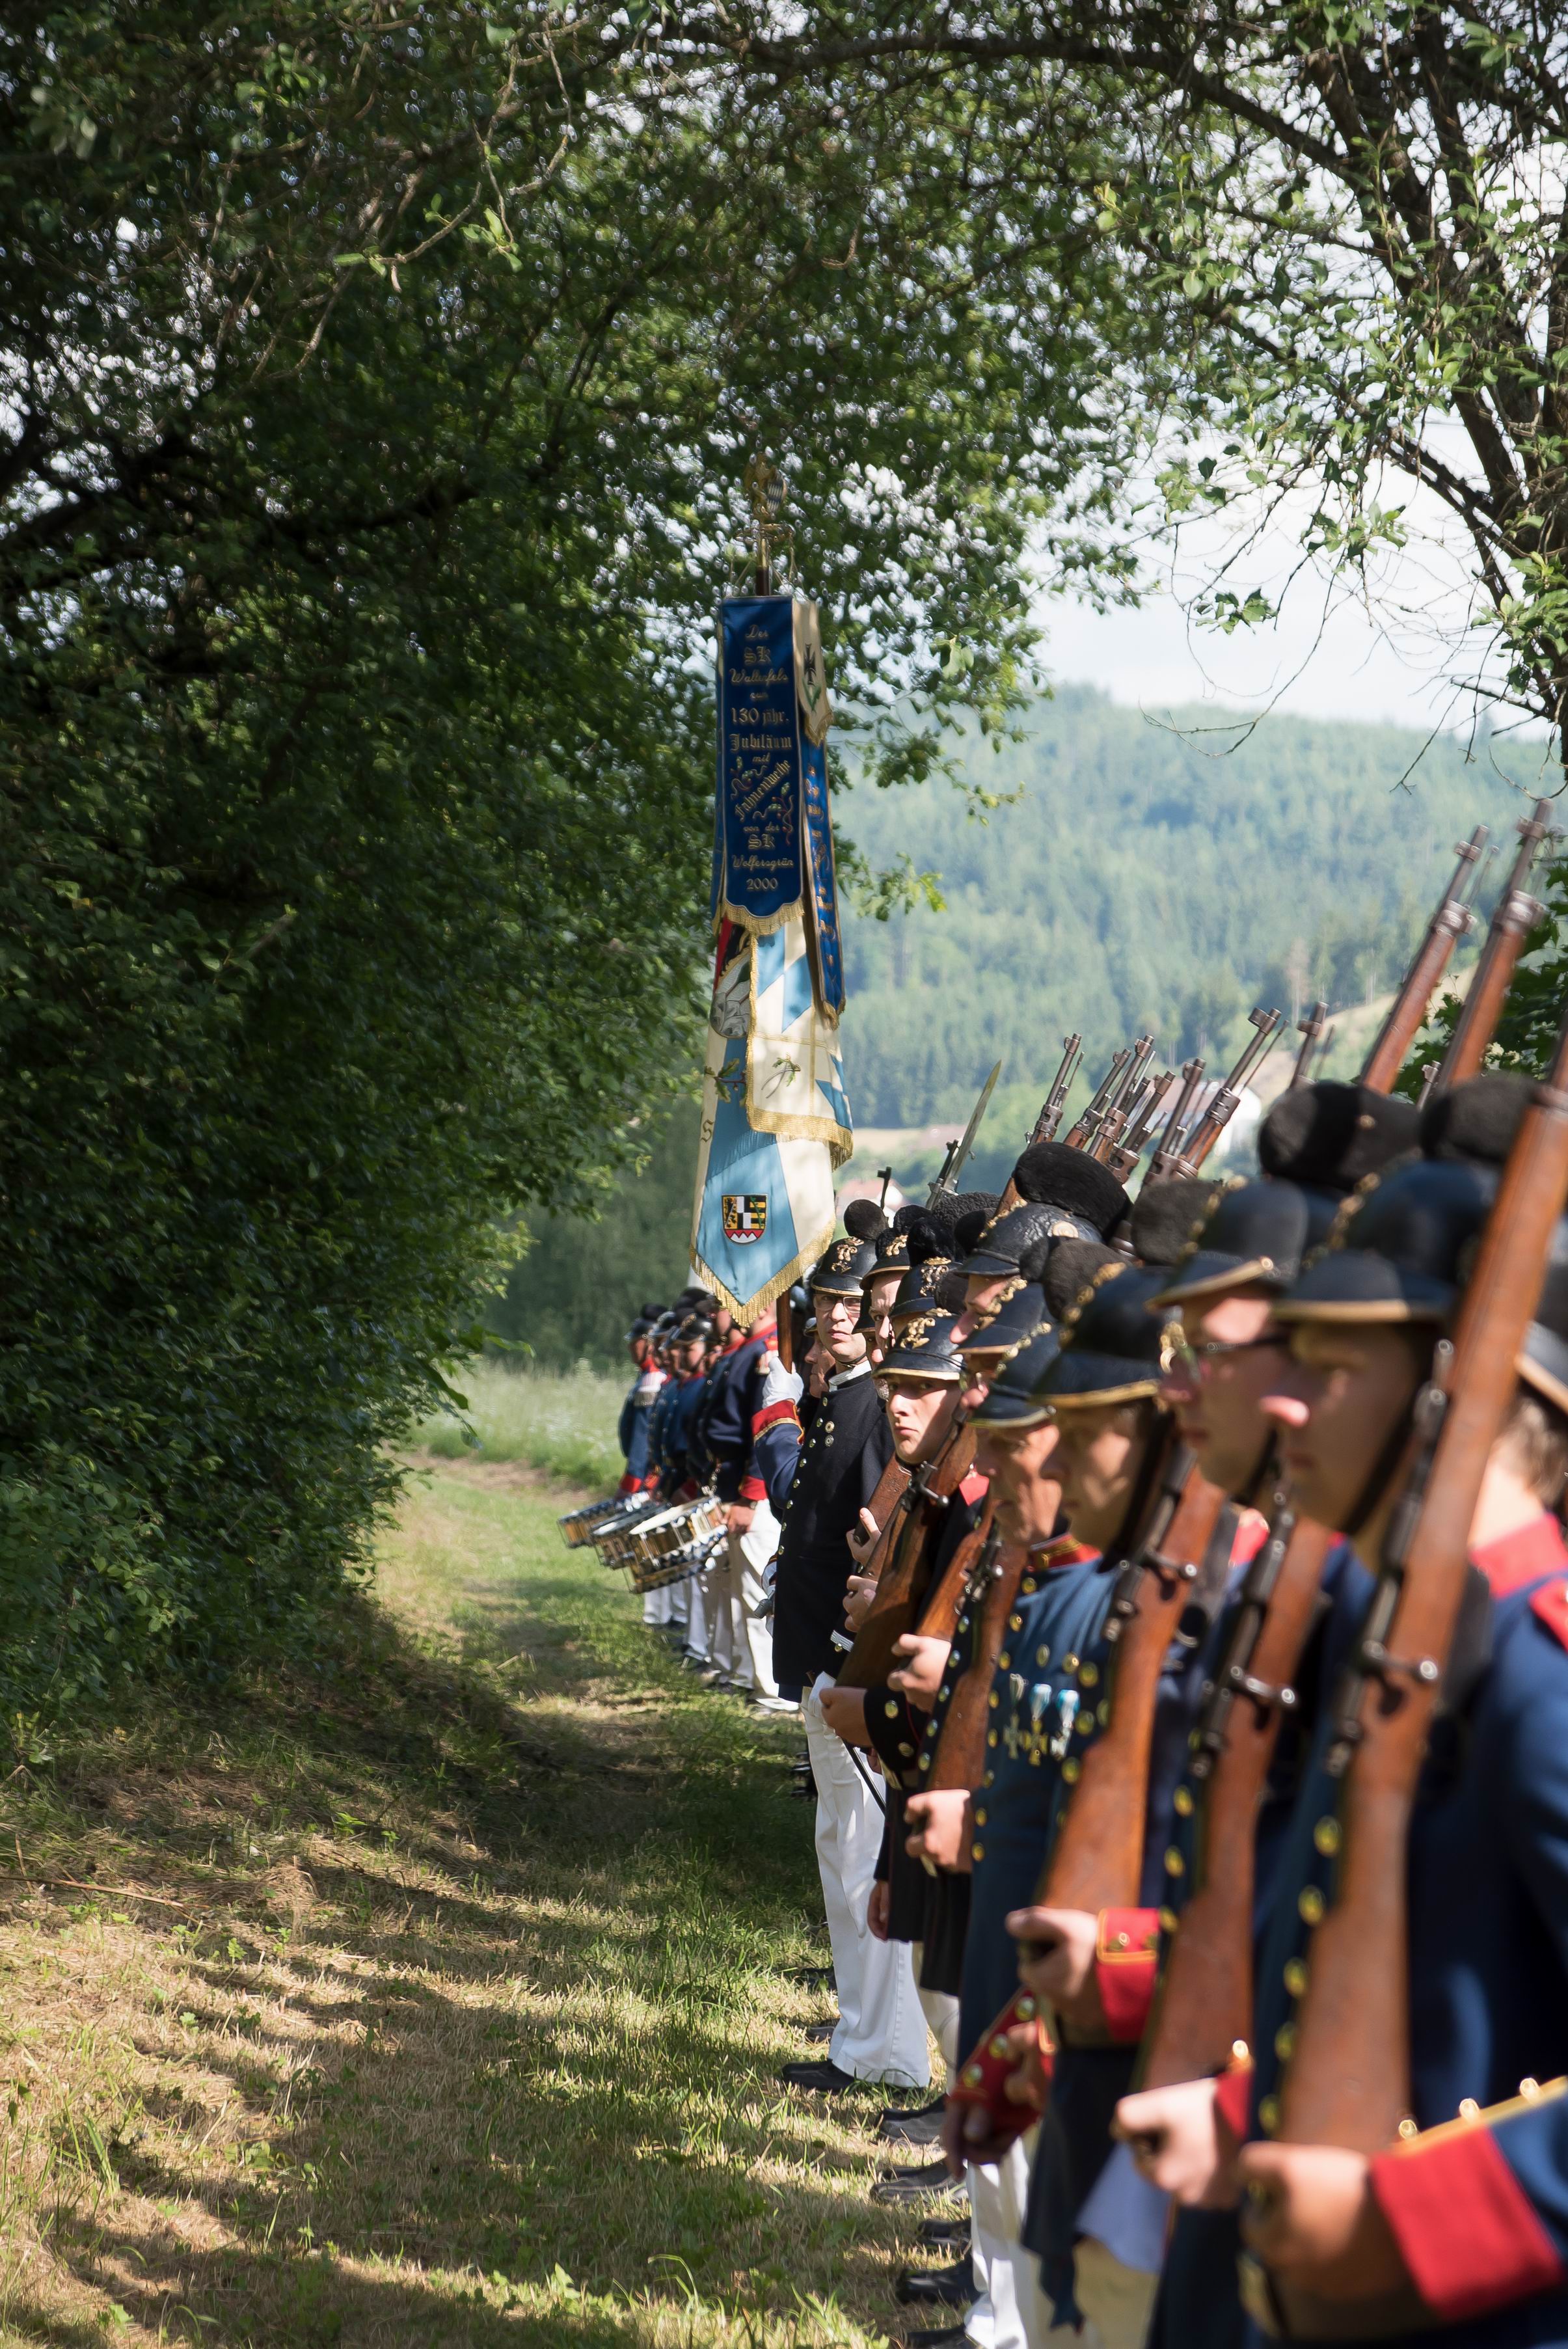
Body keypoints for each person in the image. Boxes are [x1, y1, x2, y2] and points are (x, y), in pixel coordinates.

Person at [772, 1225, 926, 2096]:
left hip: (849, 1655)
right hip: (820, 1652)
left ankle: (884, 2047)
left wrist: (851, 1662)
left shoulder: (873, 1406)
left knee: (861, 1848)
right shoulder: (844, 1398)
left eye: (851, 1302)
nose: (833, 1315)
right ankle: (864, 2034)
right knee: (841, 1843)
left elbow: (884, 1551)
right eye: (825, 1301)